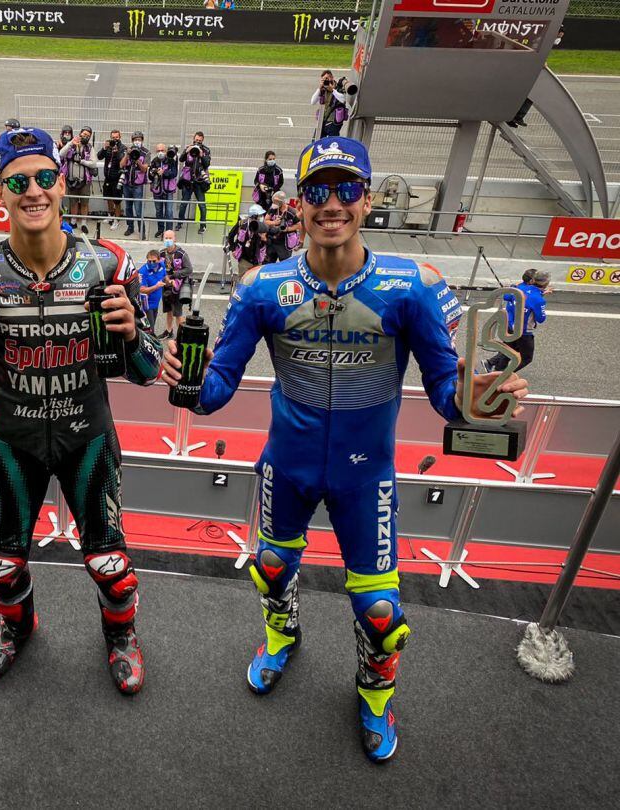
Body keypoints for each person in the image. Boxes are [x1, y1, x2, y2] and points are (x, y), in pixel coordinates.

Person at [162, 136, 528, 763]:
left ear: (367, 200)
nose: (332, 203)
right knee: (272, 568)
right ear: (298, 204)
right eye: (318, 191)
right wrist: (183, 381)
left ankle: (376, 696)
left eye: (347, 189)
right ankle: (282, 635)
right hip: (288, 465)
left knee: (380, 611)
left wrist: (478, 397)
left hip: (367, 477)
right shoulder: (260, 287)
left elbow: (445, 389)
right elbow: (217, 388)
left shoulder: (412, 284)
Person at [0, 127, 162, 694]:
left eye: (45, 178)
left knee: (112, 567)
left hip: (88, 438)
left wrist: (132, 340)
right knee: (1, 567)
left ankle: (120, 637)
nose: (34, 191)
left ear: (62, 185)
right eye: (18, 181)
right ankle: (16, 628)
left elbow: (149, 370)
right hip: (14, 440)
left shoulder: (108, 261)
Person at [483, 269, 550, 373]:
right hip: (523, 331)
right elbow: (541, 319)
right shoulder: (539, 299)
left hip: (509, 325)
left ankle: (493, 365)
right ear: (546, 283)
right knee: (526, 358)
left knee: (511, 350)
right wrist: (541, 298)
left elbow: (507, 296)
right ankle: (504, 375)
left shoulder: (519, 288)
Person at [60, 125, 99, 232]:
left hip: (84, 181)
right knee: (73, 202)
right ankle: (73, 221)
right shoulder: (72, 144)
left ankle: (83, 223)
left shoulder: (90, 148)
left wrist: (81, 161)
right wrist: (71, 143)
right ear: (80, 133)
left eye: (88, 135)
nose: (85, 136)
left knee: (84, 202)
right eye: (84, 134)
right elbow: (61, 154)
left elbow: (94, 163)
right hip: (71, 180)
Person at [159, 230, 193, 338]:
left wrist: (174, 275)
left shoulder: (181, 254)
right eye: (166, 238)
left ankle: (182, 335)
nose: (168, 240)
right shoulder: (161, 253)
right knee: (168, 310)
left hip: (177, 286)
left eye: (170, 238)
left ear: (175, 239)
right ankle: (169, 331)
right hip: (166, 286)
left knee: (177, 313)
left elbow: (189, 269)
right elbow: (158, 268)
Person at [177, 131, 212, 235]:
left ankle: (203, 226)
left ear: (203, 140)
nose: (198, 142)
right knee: (184, 203)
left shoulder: (206, 150)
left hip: (199, 181)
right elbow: (181, 159)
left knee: (202, 205)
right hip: (188, 180)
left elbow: (207, 164)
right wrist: (186, 151)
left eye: (200, 141)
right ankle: (179, 223)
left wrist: (201, 155)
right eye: (196, 140)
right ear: (193, 139)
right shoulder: (189, 147)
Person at [119, 131, 149, 237]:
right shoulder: (128, 150)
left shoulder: (146, 152)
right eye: (135, 140)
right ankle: (130, 227)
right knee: (128, 208)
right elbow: (121, 165)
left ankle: (142, 231)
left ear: (142, 141)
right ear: (132, 141)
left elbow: (145, 169)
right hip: (127, 184)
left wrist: (138, 161)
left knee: (138, 208)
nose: (137, 141)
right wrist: (128, 155)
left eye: (139, 140)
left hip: (138, 185)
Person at [97, 129, 126, 231]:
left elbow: (122, 161)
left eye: (116, 138)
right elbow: (99, 157)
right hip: (108, 177)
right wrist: (104, 148)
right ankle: (110, 215)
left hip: (117, 178)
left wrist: (117, 152)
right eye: (113, 138)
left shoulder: (122, 148)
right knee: (108, 197)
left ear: (120, 137)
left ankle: (116, 220)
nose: (114, 140)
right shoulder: (108, 146)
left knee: (117, 200)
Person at [226, 204, 268, 275]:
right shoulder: (242, 223)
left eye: (262, 215)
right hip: (244, 259)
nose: (262, 217)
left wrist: (264, 239)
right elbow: (230, 236)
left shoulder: (263, 226)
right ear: (254, 216)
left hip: (257, 260)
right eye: (260, 215)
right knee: (243, 280)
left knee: (255, 281)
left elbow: (270, 241)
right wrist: (233, 249)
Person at [263, 191, 302, 264]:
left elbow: (299, 225)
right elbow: (266, 220)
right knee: (268, 262)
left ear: (281, 202)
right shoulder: (273, 208)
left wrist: (287, 229)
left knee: (285, 263)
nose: (274, 203)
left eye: (276, 202)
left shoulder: (291, 212)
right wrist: (274, 222)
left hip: (284, 243)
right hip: (272, 240)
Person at [149, 143, 179, 237]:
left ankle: (169, 232)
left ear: (166, 151)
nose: (160, 152)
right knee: (158, 211)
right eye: (158, 151)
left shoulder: (171, 160)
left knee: (169, 211)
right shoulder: (154, 161)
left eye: (162, 150)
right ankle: (160, 229)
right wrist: (154, 173)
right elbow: (150, 176)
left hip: (168, 190)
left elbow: (174, 173)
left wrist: (164, 172)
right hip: (157, 190)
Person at [311, 71, 347, 138]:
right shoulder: (322, 89)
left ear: (332, 78)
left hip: (333, 122)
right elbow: (312, 102)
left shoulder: (338, 87)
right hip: (322, 121)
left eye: (328, 78)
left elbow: (343, 100)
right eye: (324, 79)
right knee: (315, 141)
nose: (327, 81)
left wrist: (333, 90)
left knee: (332, 144)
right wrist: (319, 88)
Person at [138, 249, 167, 330]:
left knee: (152, 325)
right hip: (146, 305)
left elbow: (164, 276)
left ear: (159, 260)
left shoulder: (162, 266)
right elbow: (141, 289)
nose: (151, 263)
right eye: (149, 261)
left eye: (154, 261)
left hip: (156, 304)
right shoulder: (143, 271)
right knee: (149, 329)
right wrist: (156, 286)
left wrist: (169, 281)